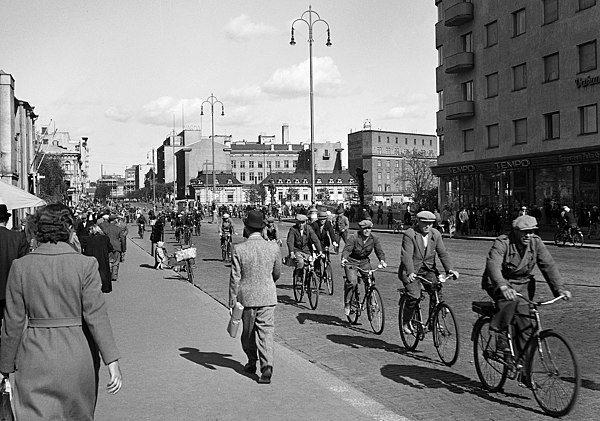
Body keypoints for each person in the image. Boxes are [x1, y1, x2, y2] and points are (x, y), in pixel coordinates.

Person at [0, 203, 122, 420]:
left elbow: (13, 323)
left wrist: (5, 367)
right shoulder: (85, 265)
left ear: (38, 230)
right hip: (78, 353)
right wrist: (111, 360)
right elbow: (96, 316)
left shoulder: (21, 266)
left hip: (35, 356)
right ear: (70, 229)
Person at [481, 215, 571, 353]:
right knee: (510, 300)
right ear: (515, 231)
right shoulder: (503, 242)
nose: (528, 235)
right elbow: (493, 264)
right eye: (524, 231)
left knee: (526, 327)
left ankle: (522, 368)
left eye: (531, 231)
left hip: (523, 284)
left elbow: (548, 265)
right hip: (500, 282)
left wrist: (560, 288)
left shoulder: (536, 242)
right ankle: (501, 334)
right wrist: (502, 285)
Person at [229, 210, 282, 384]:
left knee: (248, 333)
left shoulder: (239, 249)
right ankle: (267, 367)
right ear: (263, 228)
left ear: (246, 228)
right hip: (268, 296)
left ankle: (252, 361)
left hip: (247, 298)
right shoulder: (273, 247)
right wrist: (267, 282)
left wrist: (232, 301)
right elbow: (277, 273)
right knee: (266, 332)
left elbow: (235, 277)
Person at [398, 211, 459, 334]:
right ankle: (406, 321)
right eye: (424, 223)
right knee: (414, 295)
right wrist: (410, 272)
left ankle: (433, 322)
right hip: (412, 270)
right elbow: (407, 256)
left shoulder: (435, 234)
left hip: (428, 269)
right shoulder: (410, 234)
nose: (427, 226)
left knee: (437, 293)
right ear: (418, 222)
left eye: (430, 223)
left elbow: (443, 253)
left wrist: (450, 269)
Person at [341, 219, 387, 316]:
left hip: (364, 261)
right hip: (351, 262)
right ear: (360, 229)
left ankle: (372, 301)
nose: (367, 231)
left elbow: (379, 251)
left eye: (369, 228)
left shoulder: (374, 238)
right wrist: (344, 259)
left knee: (370, 280)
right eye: (364, 229)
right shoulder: (353, 237)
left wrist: (382, 261)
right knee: (352, 283)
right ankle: (348, 303)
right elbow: (347, 250)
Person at [0, 204, 29, 330]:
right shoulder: (18, 238)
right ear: (6, 220)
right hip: (11, 289)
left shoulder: (17, 237)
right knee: (11, 328)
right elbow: (25, 264)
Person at [286, 214, 322, 286]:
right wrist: (292, 252)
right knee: (301, 262)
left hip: (307, 250)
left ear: (305, 222)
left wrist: (320, 251)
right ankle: (298, 276)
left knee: (311, 263)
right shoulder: (293, 229)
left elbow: (315, 239)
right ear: (296, 222)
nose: (300, 225)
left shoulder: (309, 228)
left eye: (302, 223)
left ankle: (308, 281)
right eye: (299, 222)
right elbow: (290, 241)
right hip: (297, 250)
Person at [80, 224, 114, 293]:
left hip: (91, 257)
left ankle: (92, 287)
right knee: (103, 272)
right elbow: (110, 248)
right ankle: (105, 287)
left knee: (91, 273)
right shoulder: (105, 238)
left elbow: (81, 248)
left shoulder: (86, 239)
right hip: (102, 258)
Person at [310, 211, 338, 278]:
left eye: (324, 219)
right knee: (317, 257)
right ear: (318, 219)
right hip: (316, 242)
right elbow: (311, 235)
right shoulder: (314, 224)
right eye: (321, 219)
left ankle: (326, 270)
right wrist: (313, 245)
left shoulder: (328, 224)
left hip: (325, 242)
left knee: (326, 257)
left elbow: (331, 233)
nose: (322, 221)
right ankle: (317, 271)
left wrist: (334, 242)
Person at [101, 214, 127, 282]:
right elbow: (122, 239)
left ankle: (109, 274)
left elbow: (102, 238)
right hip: (117, 246)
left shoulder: (105, 228)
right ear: (115, 220)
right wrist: (123, 249)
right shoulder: (118, 229)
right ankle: (114, 276)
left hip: (108, 246)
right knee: (116, 262)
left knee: (109, 260)